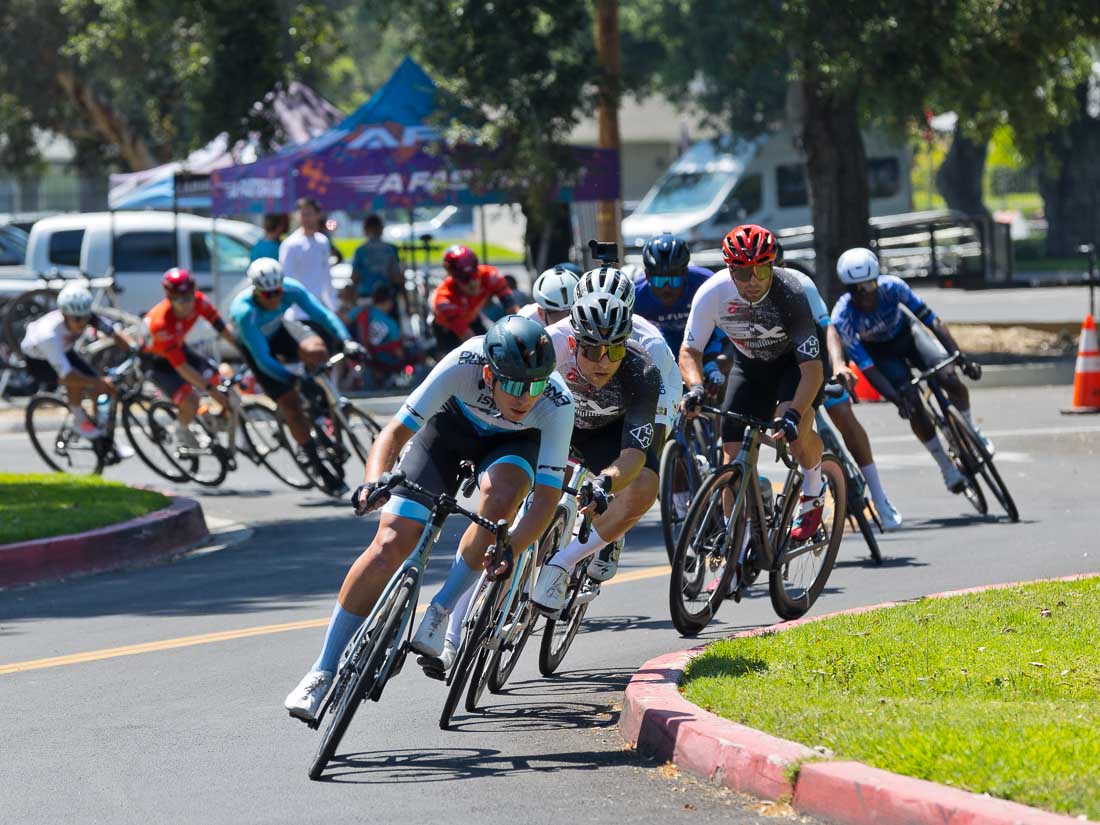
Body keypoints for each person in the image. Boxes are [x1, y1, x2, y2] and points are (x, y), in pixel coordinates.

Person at [284, 316, 574, 718]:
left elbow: (545, 497)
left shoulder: (556, 402)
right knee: (389, 544)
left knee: (502, 499)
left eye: (535, 385)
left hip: (515, 443)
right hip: (450, 429)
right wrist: (373, 483)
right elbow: (395, 432)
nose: (525, 397)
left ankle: (441, 609)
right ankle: (323, 669)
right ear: (489, 372)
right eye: (513, 384)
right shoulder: (463, 362)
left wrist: (514, 546)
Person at [679, 224, 827, 542]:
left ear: (772, 264)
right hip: (750, 366)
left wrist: (793, 415)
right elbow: (690, 351)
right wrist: (695, 387)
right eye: (743, 273)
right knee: (731, 457)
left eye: (761, 270)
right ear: (729, 269)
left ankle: (814, 487)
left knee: (795, 434)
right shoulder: (712, 293)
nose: (753, 281)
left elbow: (813, 370)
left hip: (796, 366)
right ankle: (737, 543)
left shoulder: (791, 291)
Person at [530, 292, 663, 613]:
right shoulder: (549, 346)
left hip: (605, 433)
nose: (603, 362)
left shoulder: (642, 370)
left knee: (645, 485)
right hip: (552, 419)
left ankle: (564, 562)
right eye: (591, 350)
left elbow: (634, 454)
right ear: (574, 343)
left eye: (614, 350)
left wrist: (605, 482)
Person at [830, 247, 991, 493]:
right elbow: (869, 369)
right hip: (881, 354)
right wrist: (897, 400)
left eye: (869, 285)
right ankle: (946, 467)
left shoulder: (893, 287)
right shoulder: (843, 315)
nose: (864, 294)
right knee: (913, 405)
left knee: (949, 376)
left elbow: (931, 320)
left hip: (908, 336)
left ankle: (972, 430)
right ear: (847, 289)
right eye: (856, 289)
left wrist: (959, 356)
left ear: (877, 280)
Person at [780, 264, 902, 530]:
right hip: (782, 371)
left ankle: (879, 497)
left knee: (844, 416)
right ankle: (808, 493)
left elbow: (829, 329)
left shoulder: (800, 288)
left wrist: (838, 365)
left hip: (815, 362)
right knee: (790, 431)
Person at [230, 257, 362, 495]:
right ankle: (318, 466)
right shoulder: (245, 312)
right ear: (255, 291)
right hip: (256, 346)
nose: (273, 298)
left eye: (276, 292)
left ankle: (320, 408)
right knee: (291, 406)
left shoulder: (291, 289)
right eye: (266, 294)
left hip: (280, 330)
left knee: (317, 351)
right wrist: (293, 380)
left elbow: (322, 315)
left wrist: (347, 340)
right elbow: (263, 359)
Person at [575, 265, 683, 445]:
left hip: (656, 385)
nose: (604, 321)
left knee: (648, 448)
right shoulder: (567, 331)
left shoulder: (650, 341)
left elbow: (654, 416)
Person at [21, 282, 137, 444]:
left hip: (65, 350)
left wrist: (135, 348)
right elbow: (68, 376)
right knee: (76, 382)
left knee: (100, 388)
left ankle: (103, 438)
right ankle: (79, 421)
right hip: (39, 360)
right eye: (77, 319)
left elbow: (115, 333)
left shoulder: (84, 315)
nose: (82, 323)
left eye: (86, 318)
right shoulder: (49, 335)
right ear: (64, 314)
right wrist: (99, 381)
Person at [142, 268, 237, 449]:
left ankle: (223, 426)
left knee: (223, 383)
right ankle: (180, 430)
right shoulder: (161, 323)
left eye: (189, 296)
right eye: (179, 299)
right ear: (169, 298)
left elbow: (223, 330)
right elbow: (182, 368)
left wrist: (245, 350)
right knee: (191, 400)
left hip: (179, 348)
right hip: (158, 362)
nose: (186, 304)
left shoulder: (200, 301)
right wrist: (210, 390)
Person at [430, 245, 517, 352]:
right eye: (464, 278)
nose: (472, 283)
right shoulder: (444, 300)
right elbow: (468, 338)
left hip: (472, 317)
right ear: (452, 276)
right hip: (448, 330)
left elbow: (513, 310)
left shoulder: (490, 275)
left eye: (474, 274)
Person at [280, 197, 336, 317]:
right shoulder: (290, 244)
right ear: (296, 216)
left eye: (309, 214)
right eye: (302, 214)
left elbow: (326, 276)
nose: (306, 218)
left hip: (318, 310)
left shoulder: (323, 241)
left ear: (318, 215)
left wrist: (333, 307)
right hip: (296, 313)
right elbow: (285, 279)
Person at [351, 214, 402, 305]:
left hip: (365, 297)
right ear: (381, 229)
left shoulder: (360, 251)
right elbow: (397, 277)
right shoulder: (390, 249)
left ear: (365, 229)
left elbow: (354, 277)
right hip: (386, 299)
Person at [357, 284, 405, 379]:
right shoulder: (391, 323)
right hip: (385, 359)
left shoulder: (363, 312)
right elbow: (399, 352)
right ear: (388, 302)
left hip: (365, 355)